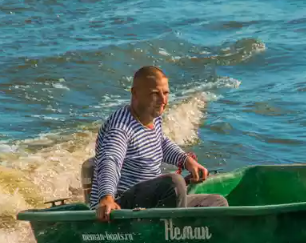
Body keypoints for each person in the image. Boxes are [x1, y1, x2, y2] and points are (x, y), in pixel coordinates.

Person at [91, 66, 228, 221]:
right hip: (119, 206)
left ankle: (189, 236)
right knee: (174, 183)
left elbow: (161, 142)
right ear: (135, 93)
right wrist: (106, 197)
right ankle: (175, 235)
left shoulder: (152, 117)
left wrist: (186, 161)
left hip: (148, 203)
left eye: (166, 93)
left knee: (216, 203)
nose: (163, 100)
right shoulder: (120, 128)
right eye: (155, 94)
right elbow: (110, 160)